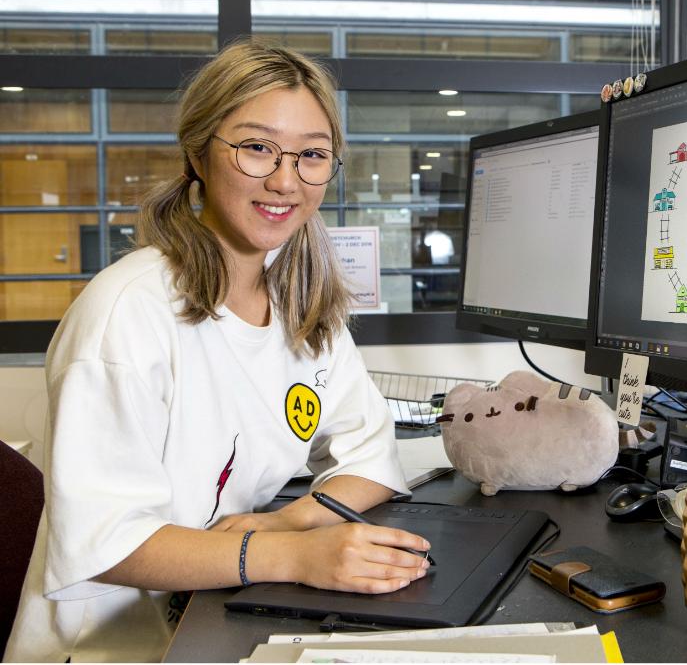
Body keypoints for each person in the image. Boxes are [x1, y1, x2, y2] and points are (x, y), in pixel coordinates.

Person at [4, 42, 430, 663]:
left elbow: (370, 454)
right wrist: (289, 555)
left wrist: (291, 521)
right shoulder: (127, 314)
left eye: (312, 155)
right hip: (116, 644)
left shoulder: (302, 304)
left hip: (215, 610)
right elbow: (105, 544)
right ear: (197, 152)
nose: (286, 180)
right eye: (257, 148)